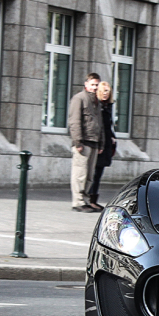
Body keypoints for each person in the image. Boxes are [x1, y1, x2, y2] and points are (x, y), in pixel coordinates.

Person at [68, 72, 103, 213]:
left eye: (97, 85)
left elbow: (100, 124)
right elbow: (74, 121)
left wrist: (101, 143)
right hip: (83, 142)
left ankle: (85, 200)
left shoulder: (96, 101)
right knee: (79, 173)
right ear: (86, 84)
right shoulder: (79, 98)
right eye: (93, 84)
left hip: (94, 142)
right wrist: (78, 142)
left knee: (89, 175)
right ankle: (78, 201)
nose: (95, 87)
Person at [88, 80, 119, 210]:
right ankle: (90, 199)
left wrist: (113, 137)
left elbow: (108, 125)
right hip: (99, 141)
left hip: (107, 141)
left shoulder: (108, 105)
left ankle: (93, 198)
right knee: (94, 172)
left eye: (107, 91)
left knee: (99, 172)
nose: (105, 94)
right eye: (103, 91)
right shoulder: (98, 106)